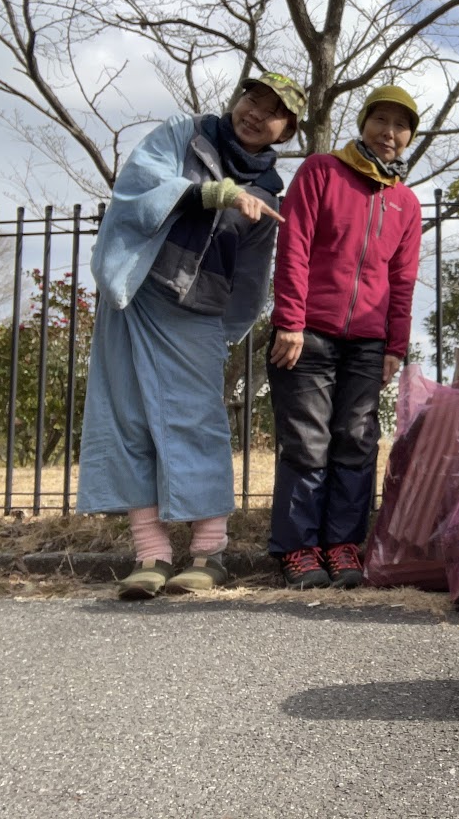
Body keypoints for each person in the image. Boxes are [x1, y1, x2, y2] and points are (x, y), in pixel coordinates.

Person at [78, 71, 305, 599]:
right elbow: (136, 186)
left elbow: (252, 268)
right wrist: (210, 192)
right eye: (254, 97)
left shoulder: (270, 191)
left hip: (199, 308)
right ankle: (150, 553)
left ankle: (209, 550)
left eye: (274, 110)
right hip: (139, 290)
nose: (256, 112)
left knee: (197, 420)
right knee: (128, 416)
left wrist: (229, 326)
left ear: (286, 130)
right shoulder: (186, 133)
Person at [266, 84, 423, 589]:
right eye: (382, 120)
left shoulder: (406, 202)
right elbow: (293, 246)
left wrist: (394, 347)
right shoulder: (321, 171)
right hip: (308, 333)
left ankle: (342, 545)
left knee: (357, 442)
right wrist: (289, 319)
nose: (390, 134)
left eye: (402, 126)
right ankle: (299, 549)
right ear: (364, 122)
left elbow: (403, 280)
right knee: (307, 444)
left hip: (368, 344)